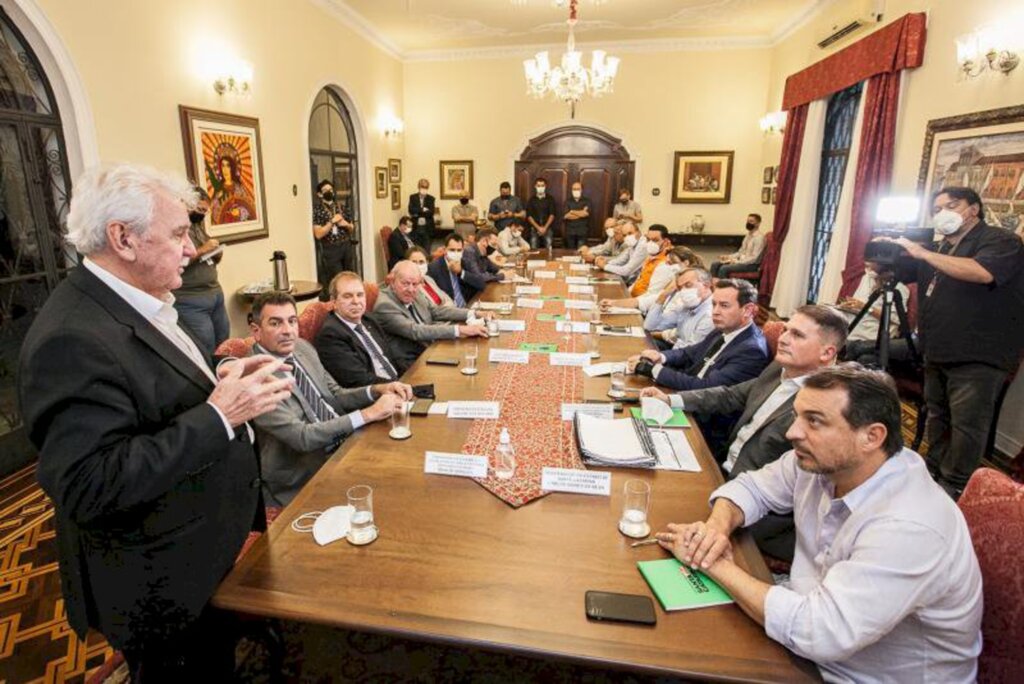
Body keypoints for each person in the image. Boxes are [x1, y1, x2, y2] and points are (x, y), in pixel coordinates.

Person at [18, 163, 293, 680]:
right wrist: (221, 413)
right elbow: (88, 484)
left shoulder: (139, 300)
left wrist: (224, 373)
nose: (192, 249)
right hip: (161, 583)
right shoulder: (72, 337)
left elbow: (156, 388)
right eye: (178, 234)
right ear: (123, 239)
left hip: (204, 551)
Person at [655, 365, 982, 682]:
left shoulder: (911, 525)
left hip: (848, 671)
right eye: (798, 416)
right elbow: (751, 487)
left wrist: (708, 561)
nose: (792, 432)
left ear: (872, 436)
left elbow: (820, 632)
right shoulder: (824, 462)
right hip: (805, 637)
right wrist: (716, 529)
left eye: (814, 421)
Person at [643, 305, 848, 561]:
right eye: (785, 330)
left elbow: (798, 493)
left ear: (827, 352)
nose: (783, 339)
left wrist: (725, 513)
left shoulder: (829, 406)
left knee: (651, 522)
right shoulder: (780, 368)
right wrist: (671, 400)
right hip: (721, 471)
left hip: (756, 515)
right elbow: (731, 395)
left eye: (797, 335)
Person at [887, 186, 1024, 498]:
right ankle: (931, 472)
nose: (943, 213)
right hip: (938, 348)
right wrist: (886, 258)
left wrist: (922, 253)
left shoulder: (1001, 241)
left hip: (978, 354)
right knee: (938, 416)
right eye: (937, 209)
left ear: (973, 209)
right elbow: (912, 275)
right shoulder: (943, 248)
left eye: (952, 205)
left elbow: (983, 273)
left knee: (966, 427)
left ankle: (955, 487)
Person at [247, 291, 410, 507]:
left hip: (344, 443)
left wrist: (378, 389)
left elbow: (335, 395)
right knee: (391, 496)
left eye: (292, 321)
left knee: (407, 465)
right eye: (275, 323)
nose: (287, 331)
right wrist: (368, 414)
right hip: (307, 471)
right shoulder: (254, 379)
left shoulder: (302, 348)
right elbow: (302, 437)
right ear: (256, 331)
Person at [628, 279, 769, 391]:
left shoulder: (752, 350)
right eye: (714, 304)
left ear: (748, 310)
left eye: (724, 306)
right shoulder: (724, 329)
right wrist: (661, 357)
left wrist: (654, 370)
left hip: (702, 418)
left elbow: (705, 387)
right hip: (685, 391)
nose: (715, 311)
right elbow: (690, 353)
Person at [373, 260, 489, 368]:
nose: (411, 289)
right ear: (392, 282)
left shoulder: (415, 291)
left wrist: (473, 313)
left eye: (415, 284)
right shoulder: (385, 304)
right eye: (405, 283)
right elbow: (416, 331)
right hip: (411, 362)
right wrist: (460, 330)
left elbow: (436, 311)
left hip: (430, 348)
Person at [315, 272, 408, 388]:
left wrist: (409, 378)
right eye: (347, 296)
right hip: (377, 394)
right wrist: (395, 386)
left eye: (360, 295)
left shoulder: (368, 319)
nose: (356, 301)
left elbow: (391, 356)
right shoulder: (331, 335)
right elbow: (357, 379)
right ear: (334, 302)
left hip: (399, 384)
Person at [173, 184, 229, 358]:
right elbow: (176, 261)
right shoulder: (176, 229)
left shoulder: (197, 226)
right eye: (200, 209)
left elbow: (206, 258)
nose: (202, 214)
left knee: (224, 345)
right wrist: (202, 250)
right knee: (204, 349)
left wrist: (215, 253)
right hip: (191, 300)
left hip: (214, 293)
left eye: (206, 211)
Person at [830, 260, 909, 366]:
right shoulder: (865, 279)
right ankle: (852, 349)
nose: (868, 266)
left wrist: (865, 307)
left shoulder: (899, 289)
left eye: (872, 263)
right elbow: (858, 304)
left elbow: (895, 319)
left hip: (872, 336)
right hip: (854, 333)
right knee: (865, 357)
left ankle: (854, 349)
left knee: (865, 358)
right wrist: (848, 306)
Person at [600, 236, 683, 315]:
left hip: (643, 304)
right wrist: (620, 300)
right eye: (648, 239)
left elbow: (650, 297)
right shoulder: (650, 257)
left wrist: (620, 303)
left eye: (655, 240)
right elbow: (639, 280)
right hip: (638, 300)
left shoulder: (665, 267)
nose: (650, 243)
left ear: (666, 242)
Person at [644, 265, 715, 349]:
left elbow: (690, 351)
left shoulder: (711, 313)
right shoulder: (685, 306)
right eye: (680, 288)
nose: (684, 291)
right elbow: (650, 327)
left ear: (706, 285)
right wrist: (663, 295)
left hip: (688, 357)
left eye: (688, 285)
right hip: (678, 350)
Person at [313, 179, 356, 296]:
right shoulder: (317, 210)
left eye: (331, 190)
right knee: (337, 280)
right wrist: (332, 222)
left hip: (346, 245)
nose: (329, 192)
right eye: (326, 190)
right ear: (320, 194)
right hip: (331, 249)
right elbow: (318, 234)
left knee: (350, 276)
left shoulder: (341, 207)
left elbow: (352, 228)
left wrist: (345, 224)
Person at [427, 233, 489, 306]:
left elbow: (481, 284)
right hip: (449, 310)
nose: (456, 253)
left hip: (467, 306)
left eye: (459, 250)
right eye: (452, 250)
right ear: (445, 250)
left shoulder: (465, 262)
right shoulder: (434, 267)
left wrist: (461, 272)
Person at [710, 214, 766, 278]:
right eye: (747, 221)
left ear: (758, 224)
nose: (748, 223)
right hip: (741, 261)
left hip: (751, 265)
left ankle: (723, 287)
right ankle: (712, 286)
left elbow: (754, 258)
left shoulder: (759, 238)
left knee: (724, 268)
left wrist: (737, 262)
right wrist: (728, 257)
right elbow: (740, 252)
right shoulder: (748, 236)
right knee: (715, 264)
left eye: (751, 221)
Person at [525, 177, 557, 249]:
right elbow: (529, 216)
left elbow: (552, 215)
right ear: (535, 186)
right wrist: (538, 228)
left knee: (549, 248)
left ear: (545, 186)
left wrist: (544, 228)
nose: (540, 187)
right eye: (538, 186)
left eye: (542, 186)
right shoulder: (531, 200)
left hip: (547, 228)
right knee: (533, 248)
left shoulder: (550, 199)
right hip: (535, 228)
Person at [407, 178, 436, 250]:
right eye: (422, 187)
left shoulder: (431, 198)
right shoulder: (413, 197)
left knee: (427, 250)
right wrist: (423, 210)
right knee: (416, 249)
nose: (424, 189)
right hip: (416, 227)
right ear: (419, 187)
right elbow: (411, 210)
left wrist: (417, 212)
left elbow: (431, 213)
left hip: (427, 228)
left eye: (426, 187)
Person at [563, 181, 592, 250]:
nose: (576, 191)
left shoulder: (587, 201)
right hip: (570, 232)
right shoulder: (567, 201)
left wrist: (572, 211)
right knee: (570, 253)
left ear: (581, 190)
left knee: (581, 253)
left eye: (578, 189)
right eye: (574, 189)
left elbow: (586, 214)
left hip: (582, 232)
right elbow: (566, 216)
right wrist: (581, 213)